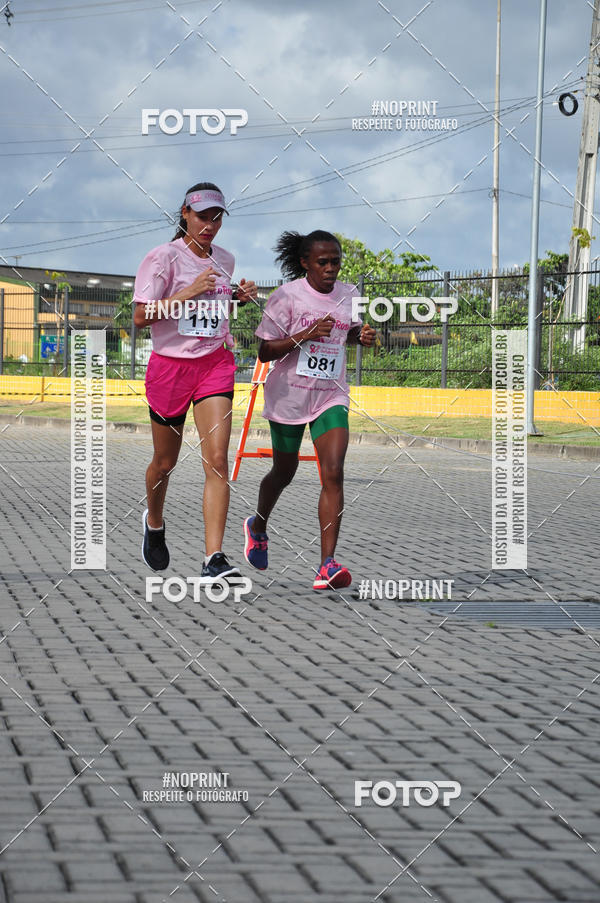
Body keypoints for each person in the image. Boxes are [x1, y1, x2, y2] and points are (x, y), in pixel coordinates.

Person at [133, 181, 257, 580]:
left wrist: (234, 299)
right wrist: (188, 291)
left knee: (218, 461)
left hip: (214, 365)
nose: (210, 224)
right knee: (164, 463)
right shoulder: (162, 258)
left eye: (217, 217)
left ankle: (213, 559)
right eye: (203, 216)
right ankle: (154, 523)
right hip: (170, 368)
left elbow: (214, 305)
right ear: (184, 213)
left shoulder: (226, 260)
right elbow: (140, 316)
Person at [242, 230, 376, 590]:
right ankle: (257, 525)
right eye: (323, 262)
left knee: (333, 472)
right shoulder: (286, 297)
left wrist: (358, 336)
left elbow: (343, 333)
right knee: (283, 472)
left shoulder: (350, 294)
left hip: (330, 395)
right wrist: (306, 334)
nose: (331, 268)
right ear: (305, 263)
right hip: (289, 396)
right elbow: (265, 352)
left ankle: (327, 565)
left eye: (335, 262)